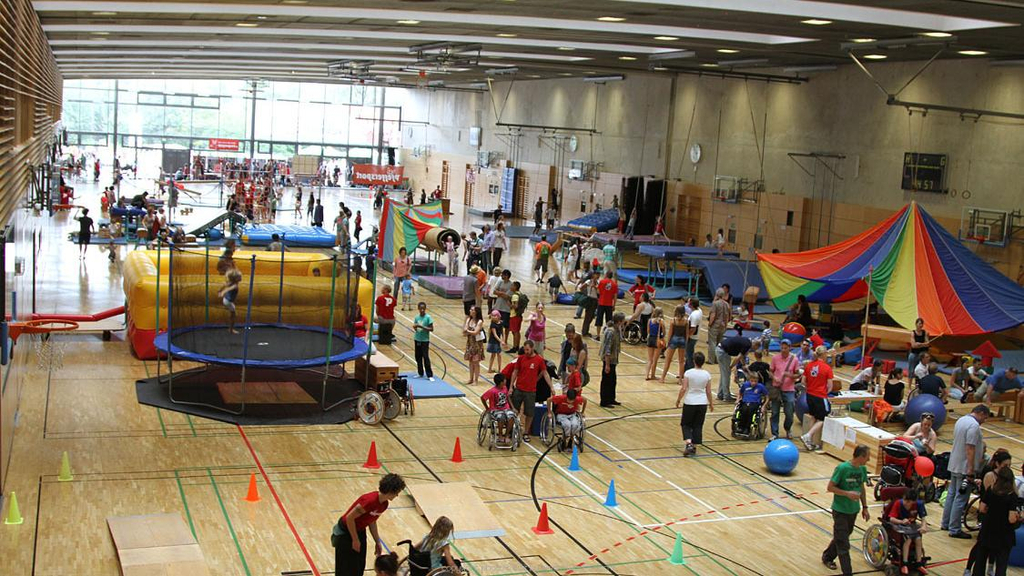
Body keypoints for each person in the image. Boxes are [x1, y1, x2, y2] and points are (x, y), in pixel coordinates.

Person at [333, 473, 406, 576]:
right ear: (391, 491)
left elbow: (372, 521)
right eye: (396, 492)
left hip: (360, 531)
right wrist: (355, 539)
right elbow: (349, 518)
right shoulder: (369, 500)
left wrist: (377, 541)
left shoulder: (384, 504)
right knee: (345, 567)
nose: (397, 495)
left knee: (359, 566)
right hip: (346, 532)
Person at [941, 404, 991, 539]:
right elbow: (970, 448)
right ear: (980, 413)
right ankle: (955, 528)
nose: (984, 421)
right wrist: (970, 469)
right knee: (960, 497)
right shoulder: (973, 426)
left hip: (954, 463)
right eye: (984, 418)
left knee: (951, 494)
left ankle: (946, 523)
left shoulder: (961, 420)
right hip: (964, 467)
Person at [821, 444, 871, 576]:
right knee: (843, 544)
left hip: (853, 511)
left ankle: (827, 556)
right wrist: (847, 493)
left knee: (841, 537)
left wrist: (865, 507)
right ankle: (847, 572)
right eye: (867, 457)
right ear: (861, 456)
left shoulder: (862, 470)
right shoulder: (842, 468)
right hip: (840, 511)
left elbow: (862, 489)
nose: (869, 460)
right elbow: (830, 487)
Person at [972, 467, 1020, 576]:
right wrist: (1019, 517)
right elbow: (1011, 519)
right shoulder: (1011, 495)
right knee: (1001, 564)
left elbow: (982, 508)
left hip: (988, 530)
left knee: (980, 560)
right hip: (1003, 534)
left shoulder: (991, 490)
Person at [676, 351, 713, 456]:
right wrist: (711, 403)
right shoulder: (707, 374)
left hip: (690, 402)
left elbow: (683, 388)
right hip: (702, 402)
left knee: (686, 424)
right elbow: (708, 391)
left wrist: (678, 399)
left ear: (693, 361)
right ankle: (694, 446)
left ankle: (689, 443)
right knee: (698, 425)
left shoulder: (688, 373)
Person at [511, 340, 549, 442]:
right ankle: (510, 431)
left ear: (532, 348)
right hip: (519, 389)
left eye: (528, 349)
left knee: (529, 413)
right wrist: (511, 386)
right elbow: (515, 372)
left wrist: (552, 387)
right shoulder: (521, 359)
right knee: (514, 411)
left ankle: (526, 432)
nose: (526, 351)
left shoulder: (539, 360)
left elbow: (545, 373)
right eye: (525, 349)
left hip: (531, 391)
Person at [800, 346, 834, 451]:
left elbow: (803, 382)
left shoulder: (809, 366)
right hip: (820, 396)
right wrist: (824, 392)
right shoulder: (827, 368)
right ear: (824, 354)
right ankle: (808, 435)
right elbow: (830, 386)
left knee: (813, 416)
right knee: (823, 418)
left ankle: (809, 440)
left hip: (809, 395)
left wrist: (810, 388)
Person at [887, 489, 929, 575]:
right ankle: (904, 563)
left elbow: (923, 519)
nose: (906, 502)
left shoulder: (919, 504)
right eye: (905, 499)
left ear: (914, 501)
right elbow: (891, 519)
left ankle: (919, 563)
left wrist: (924, 526)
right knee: (908, 540)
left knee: (918, 540)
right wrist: (901, 521)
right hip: (898, 526)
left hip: (911, 527)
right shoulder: (898, 503)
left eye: (908, 501)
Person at [599, 312, 624, 408]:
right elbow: (607, 349)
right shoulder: (610, 331)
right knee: (606, 381)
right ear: (619, 321)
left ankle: (611, 398)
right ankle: (604, 401)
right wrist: (607, 364)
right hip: (608, 360)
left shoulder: (617, 329)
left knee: (612, 380)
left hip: (613, 359)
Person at [716, 335, 751, 402]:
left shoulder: (746, 342)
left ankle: (721, 394)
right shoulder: (747, 345)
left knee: (724, 374)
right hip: (723, 352)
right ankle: (726, 396)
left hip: (721, 350)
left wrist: (743, 365)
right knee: (726, 374)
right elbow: (737, 358)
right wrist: (731, 366)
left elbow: (742, 356)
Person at [481, 373, 515, 442]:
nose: (506, 381)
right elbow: (483, 398)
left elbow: (507, 397)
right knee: (501, 417)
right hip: (496, 410)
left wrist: (513, 407)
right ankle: (500, 435)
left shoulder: (505, 388)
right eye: (504, 380)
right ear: (501, 382)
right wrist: (487, 408)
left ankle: (506, 435)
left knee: (511, 417)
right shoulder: (492, 391)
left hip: (506, 408)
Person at [661, 304, 689, 383]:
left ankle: (663, 378)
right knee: (681, 361)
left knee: (668, 360)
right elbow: (686, 334)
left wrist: (668, 343)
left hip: (674, 339)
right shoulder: (686, 321)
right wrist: (685, 343)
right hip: (682, 340)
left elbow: (670, 333)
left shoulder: (673, 320)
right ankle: (680, 380)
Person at [707, 288, 730, 364]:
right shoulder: (727, 304)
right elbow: (727, 316)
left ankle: (711, 360)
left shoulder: (715, 304)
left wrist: (710, 324)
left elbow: (713, 315)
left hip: (715, 324)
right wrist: (726, 325)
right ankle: (718, 359)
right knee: (719, 343)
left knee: (712, 342)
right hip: (723, 325)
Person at [413, 302, 434, 381]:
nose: (422, 310)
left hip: (425, 340)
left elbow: (431, 329)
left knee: (425, 357)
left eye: (423, 309)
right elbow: (415, 326)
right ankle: (420, 372)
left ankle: (429, 375)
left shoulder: (428, 317)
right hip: (417, 339)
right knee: (418, 356)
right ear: (418, 308)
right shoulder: (417, 317)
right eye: (420, 308)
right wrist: (415, 327)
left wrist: (421, 326)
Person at [464, 306, 485, 386]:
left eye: (472, 310)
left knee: (476, 362)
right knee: (470, 361)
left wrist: (468, 331)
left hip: (477, 344)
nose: (470, 311)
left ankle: (476, 380)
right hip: (470, 343)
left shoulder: (479, 321)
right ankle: (471, 378)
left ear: (476, 312)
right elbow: (464, 330)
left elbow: (475, 332)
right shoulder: (469, 319)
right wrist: (468, 331)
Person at [218, 268, 243, 334]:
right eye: (240, 277)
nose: (241, 277)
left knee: (233, 313)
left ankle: (231, 329)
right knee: (234, 315)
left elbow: (224, 285)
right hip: (228, 302)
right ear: (235, 279)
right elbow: (229, 288)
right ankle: (231, 329)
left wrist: (220, 291)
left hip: (226, 300)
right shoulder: (235, 285)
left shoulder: (230, 282)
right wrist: (223, 292)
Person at [594, 270, 617, 339]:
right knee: (609, 320)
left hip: (601, 303)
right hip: (609, 304)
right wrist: (614, 305)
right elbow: (615, 296)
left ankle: (598, 335)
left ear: (606, 275)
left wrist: (595, 287)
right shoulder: (614, 284)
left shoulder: (602, 281)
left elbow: (598, 291)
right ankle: (608, 335)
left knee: (599, 319)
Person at [645, 308, 665, 381]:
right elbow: (664, 332)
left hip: (650, 339)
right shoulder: (661, 321)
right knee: (655, 360)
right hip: (657, 340)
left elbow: (648, 331)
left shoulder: (649, 320)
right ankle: (652, 375)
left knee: (650, 359)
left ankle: (647, 375)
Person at [507, 281, 527, 353]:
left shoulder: (515, 296)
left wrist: (509, 304)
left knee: (514, 332)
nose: (511, 286)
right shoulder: (520, 293)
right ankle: (517, 346)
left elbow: (515, 306)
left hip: (514, 315)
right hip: (519, 315)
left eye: (512, 285)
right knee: (517, 332)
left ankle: (515, 347)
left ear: (515, 287)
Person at [492, 269, 513, 334]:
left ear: (506, 276)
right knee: (496, 324)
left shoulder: (511, 284)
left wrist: (499, 293)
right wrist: (502, 293)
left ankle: (505, 339)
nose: (501, 276)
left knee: (506, 326)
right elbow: (494, 291)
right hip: (498, 306)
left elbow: (507, 297)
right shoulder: (500, 282)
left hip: (506, 309)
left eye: (503, 275)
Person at [684, 298, 702, 371]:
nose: (687, 303)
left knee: (689, 355)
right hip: (694, 336)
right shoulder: (699, 310)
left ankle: (691, 371)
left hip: (692, 337)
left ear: (691, 305)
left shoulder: (694, 315)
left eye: (689, 302)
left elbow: (693, 329)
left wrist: (687, 337)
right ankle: (685, 371)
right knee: (688, 354)